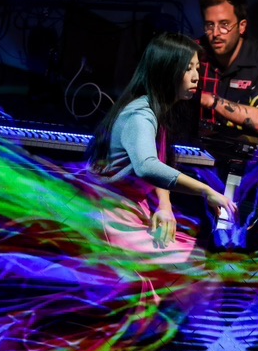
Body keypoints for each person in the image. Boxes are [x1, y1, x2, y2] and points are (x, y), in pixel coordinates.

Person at [84, 31, 237, 261]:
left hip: (132, 207)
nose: (196, 77)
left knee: (195, 250)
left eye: (197, 68)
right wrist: (206, 191)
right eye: (188, 69)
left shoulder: (157, 110)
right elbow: (147, 166)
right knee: (197, 262)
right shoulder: (140, 115)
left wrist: (165, 206)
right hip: (111, 214)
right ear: (166, 70)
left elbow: (159, 162)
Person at [197, 0, 258, 136]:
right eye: (210, 25)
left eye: (224, 24)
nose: (215, 33)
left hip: (241, 146)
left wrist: (212, 101)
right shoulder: (194, 53)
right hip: (195, 141)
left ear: (242, 26)